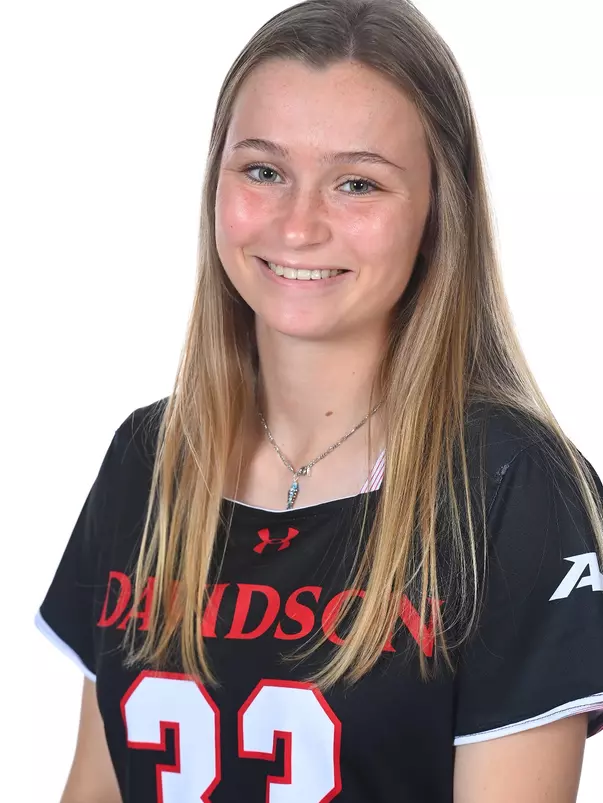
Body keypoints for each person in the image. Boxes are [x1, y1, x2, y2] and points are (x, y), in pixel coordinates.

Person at [35, 0, 603, 801]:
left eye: (357, 182)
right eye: (263, 170)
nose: (297, 226)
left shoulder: (512, 487)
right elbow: (92, 786)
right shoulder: (151, 458)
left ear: (438, 212)